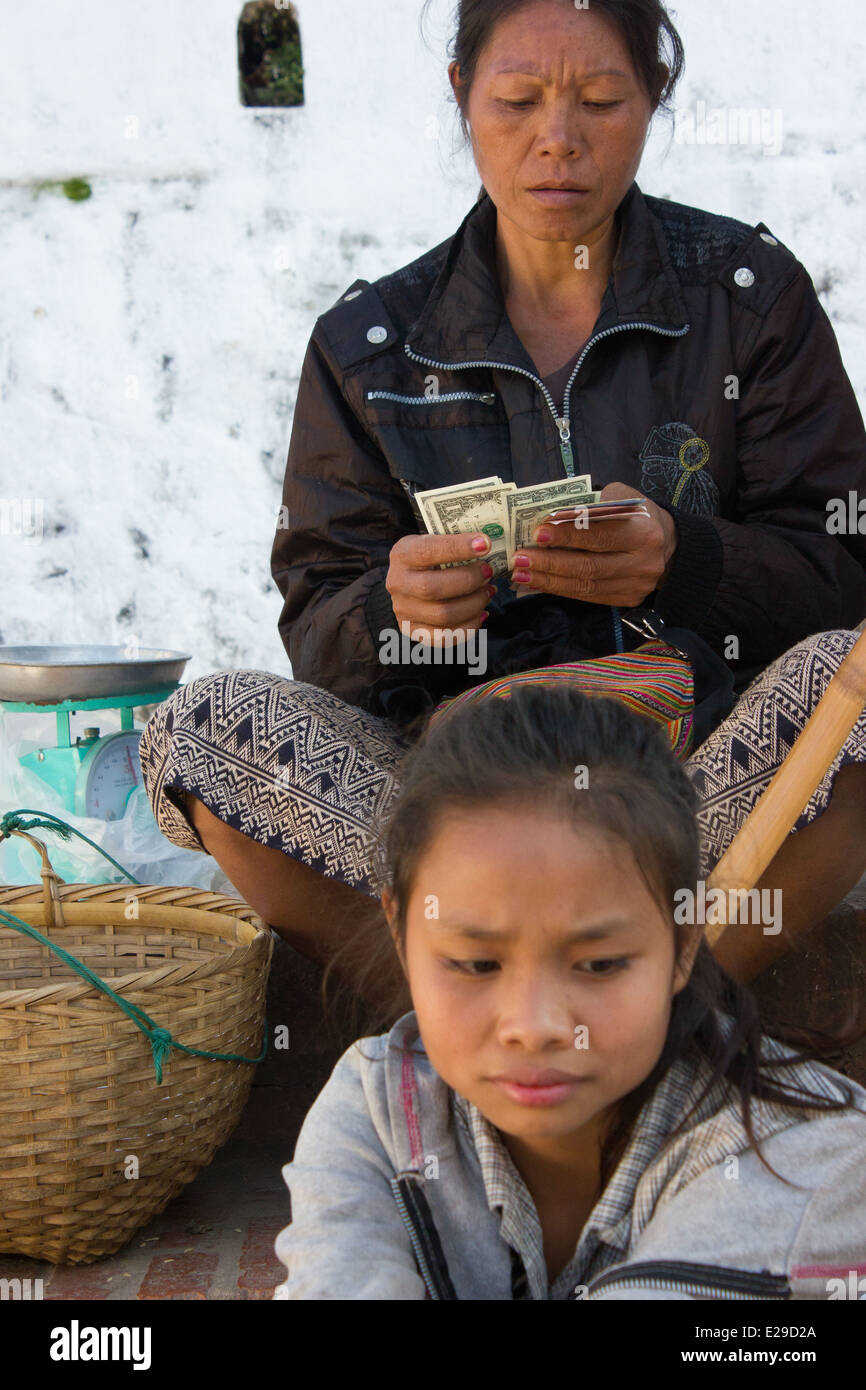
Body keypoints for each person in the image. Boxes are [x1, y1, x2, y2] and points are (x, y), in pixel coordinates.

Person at [139, 0, 866, 1012]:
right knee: (209, 725)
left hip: (694, 792)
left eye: (600, 101)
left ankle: (664, 1027)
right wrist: (398, 618)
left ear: (652, 98)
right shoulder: (371, 345)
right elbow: (321, 631)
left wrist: (685, 559)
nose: (554, 140)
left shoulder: (746, 301)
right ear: (460, 97)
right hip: (456, 816)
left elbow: (841, 573)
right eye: (515, 101)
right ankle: (455, 1040)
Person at [273, 686, 866, 1300]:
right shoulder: (379, 1111)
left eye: (601, 964)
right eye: (475, 963)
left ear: (684, 944)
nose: (535, 1026)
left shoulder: (794, 1165)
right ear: (402, 935)